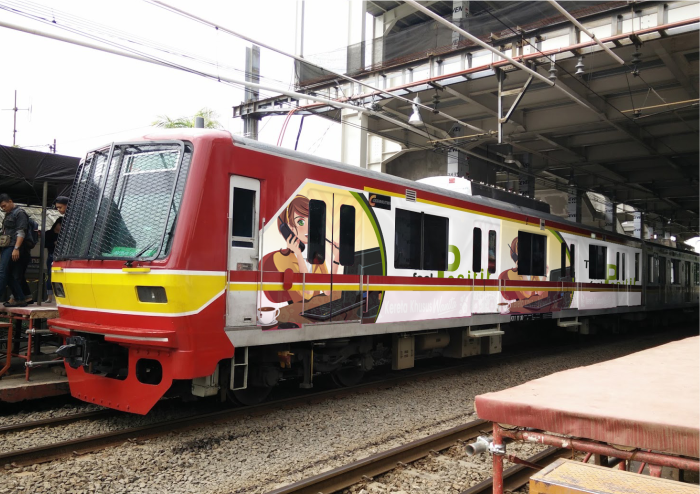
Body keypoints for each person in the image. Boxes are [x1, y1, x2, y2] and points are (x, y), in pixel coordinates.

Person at [0, 193, 31, 307]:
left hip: (13, 247)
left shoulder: (20, 213)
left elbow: (21, 232)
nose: (3, 208)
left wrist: (16, 248)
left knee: (3, 272)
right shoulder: (8, 214)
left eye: (4, 205)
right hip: (6, 247)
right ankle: (20, 298)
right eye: (1, 207)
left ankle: (19, 298)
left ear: (10, 201)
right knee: (8, 274)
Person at [44, 196, 69, 303]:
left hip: (65, 256)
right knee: (51, 275)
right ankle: (49, 297)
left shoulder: (70, 221)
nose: (59, 210)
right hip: (52, 255)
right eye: (57, 208)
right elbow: (45, 244)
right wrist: (53, 243)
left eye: (60, 207)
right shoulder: (49, 234)